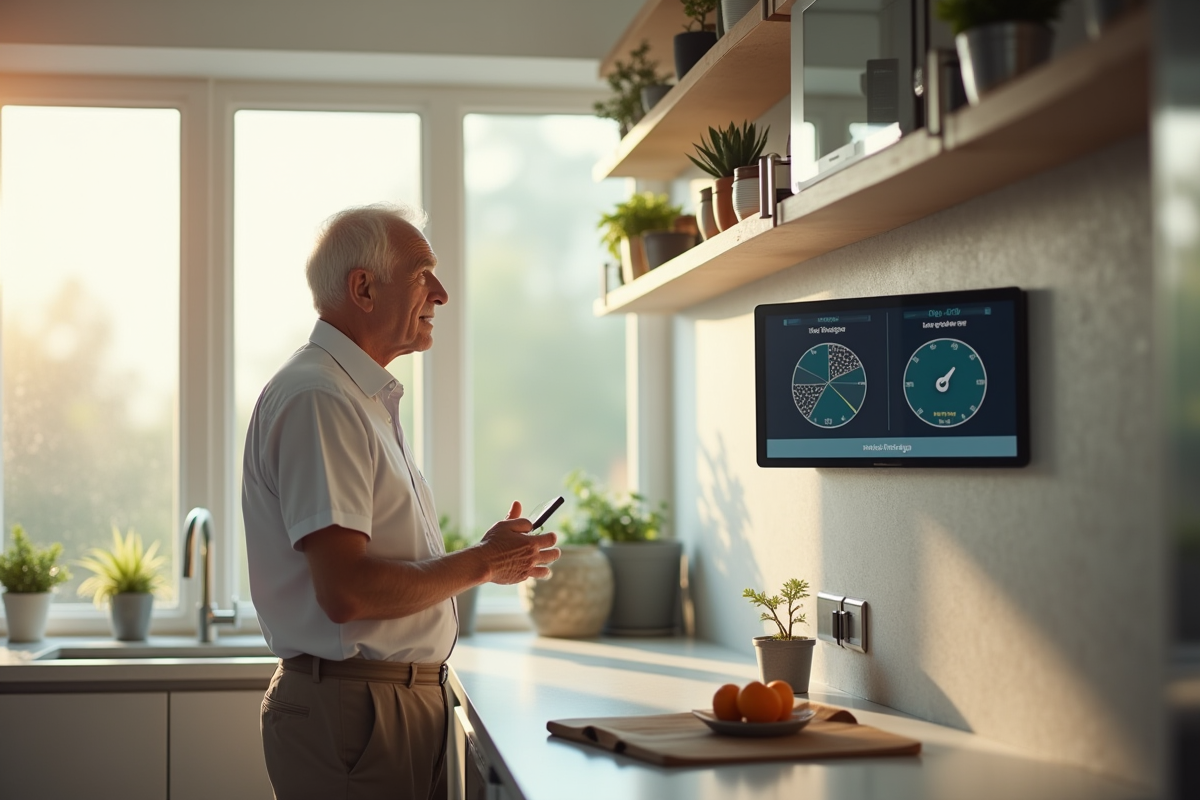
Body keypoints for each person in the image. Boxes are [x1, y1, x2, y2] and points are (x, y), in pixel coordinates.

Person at [241, 203, 560, 800]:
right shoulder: (321, 399)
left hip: (375, 706)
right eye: (421, 274)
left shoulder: (353, 396)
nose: (441, 293)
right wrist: (484, 562)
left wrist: (485, 558)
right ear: (364, 288)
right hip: (357, 713)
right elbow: (348, 591)